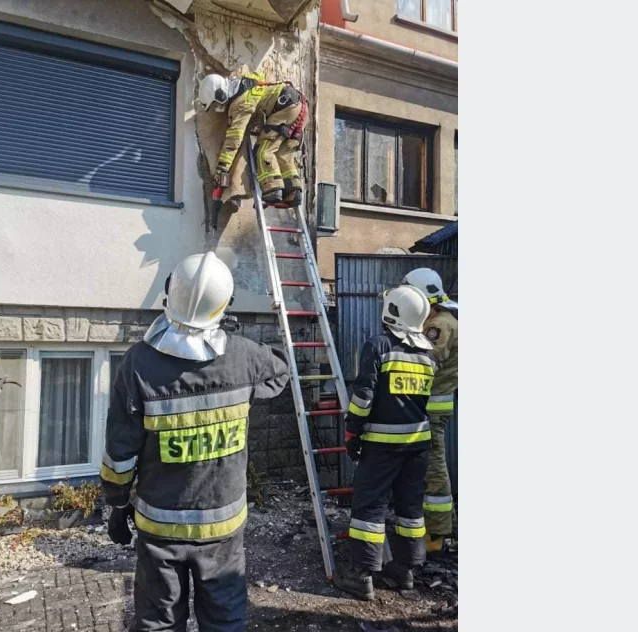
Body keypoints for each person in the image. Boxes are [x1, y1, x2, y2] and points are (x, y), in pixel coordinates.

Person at [101, 251, 290, 631]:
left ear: (170, 294)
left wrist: (118, 506)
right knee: (224, 620)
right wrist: (232, 334)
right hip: (222, 528)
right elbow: (281, 370)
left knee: (158, 622)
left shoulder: (138, 363)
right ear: (224, 305)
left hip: (160, 530)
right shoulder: (244, 357)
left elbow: (119, 454)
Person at [333, 285, 437, 600]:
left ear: (391, 312)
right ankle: (405, 570)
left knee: (370, 507)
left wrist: (352, 431)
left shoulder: (378, 347)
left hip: (381, 447)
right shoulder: (428, 356)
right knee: (409, 508)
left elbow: (363, 397)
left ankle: (361, 575)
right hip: (418, 447)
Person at [402, 268, 458, 552]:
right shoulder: (439, 320)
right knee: (426, 466)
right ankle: (435, 525)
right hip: (426, 405)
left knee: (434, 467)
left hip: (432, 406)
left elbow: (427, 360)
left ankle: (436, 534)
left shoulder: (441, 325)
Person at [198, 72, 307, 207]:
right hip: (296, 104)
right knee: (282, 153)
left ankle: (272, 190)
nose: (219, 108)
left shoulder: (239, 103)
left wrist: (222, 167)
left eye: (216, 104)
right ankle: (293, 193)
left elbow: (234, 138)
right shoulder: (246, 83)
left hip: (283, 107)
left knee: (263, 151)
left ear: (220, 94)